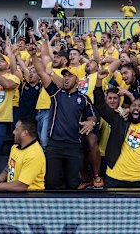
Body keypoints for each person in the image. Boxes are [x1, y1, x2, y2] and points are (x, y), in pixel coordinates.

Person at [30, 47, 97, 190]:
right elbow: (42, 73)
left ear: (77, 80)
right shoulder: (56, 93)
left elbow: (92, 116)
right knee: (51, 182)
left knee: (72, 183)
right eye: (64, 76)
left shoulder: (84, 99)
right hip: (54, 145)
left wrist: (91, 122)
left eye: (70, 76)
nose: (66, 78)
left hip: (74, 145)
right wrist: (33, 55)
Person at [0, 117, 46, 192]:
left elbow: (22, 185)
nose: (13, 132)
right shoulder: (15, 147)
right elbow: (8, 169)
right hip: (14, 193)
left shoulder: (34, 154)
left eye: (16, 129)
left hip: (29, 198)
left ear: (24, 133)